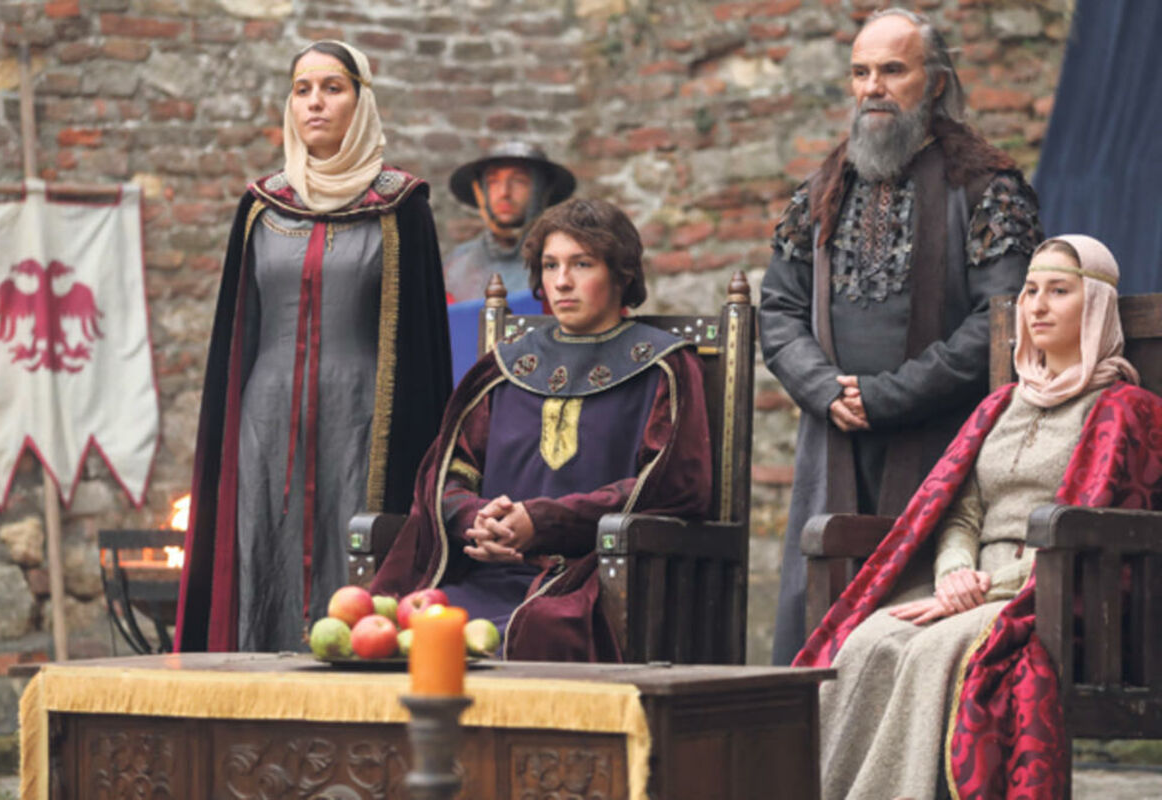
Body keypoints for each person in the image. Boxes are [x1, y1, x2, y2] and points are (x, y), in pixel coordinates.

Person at [795, 235, 1162, 800]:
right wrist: (953, 575)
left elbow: (1095, 531)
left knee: (933, 650)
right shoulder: (1001, 405)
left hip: (1050, 599)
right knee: (871, 638)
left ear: (1094, 305)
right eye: (1030, 291)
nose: (1037, 306)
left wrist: (988, 588)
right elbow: (960, 513)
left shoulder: (1127, 409)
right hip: (967, 588)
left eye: (1058, 291)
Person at [759, 7, 1044, 664]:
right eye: (860, 73)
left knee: (915, 640)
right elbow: (778, 309)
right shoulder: (820, 191)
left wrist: (889, 395)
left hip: (942, 447)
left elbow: (1001, 320)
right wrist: (823, 388)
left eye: (892, 70)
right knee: (815, 627)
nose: (873, 88)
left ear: (935, 82)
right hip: (832, 441)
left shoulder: (988, 186)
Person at [175, 41, 453, 653]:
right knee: (260, 543)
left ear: (361, 100)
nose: (315, 103)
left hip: (364, 418)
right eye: (302, 90)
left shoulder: (401, 207)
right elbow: (238, 333)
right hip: (266, 417)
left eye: (333, 87)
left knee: (353, 547)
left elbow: (423, 345)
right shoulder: (260, 206)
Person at [371, 198, 712, 661]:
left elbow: (672, 486)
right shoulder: (506, 366)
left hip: (593, 577)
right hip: (484, 571)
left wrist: (543, 522)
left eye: (582, 264)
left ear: (622, 273)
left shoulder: (663, 367)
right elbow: (450, 474)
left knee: (537, 628)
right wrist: (479, 521)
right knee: (399, 630)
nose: (562, 281)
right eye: (551, 265)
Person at [443, 141, 575, 302]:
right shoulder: (454, 268)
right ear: (481, 191)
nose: (504, 192)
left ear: (542, 190)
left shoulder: (565, 261)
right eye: (493, 181)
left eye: (519, 181)